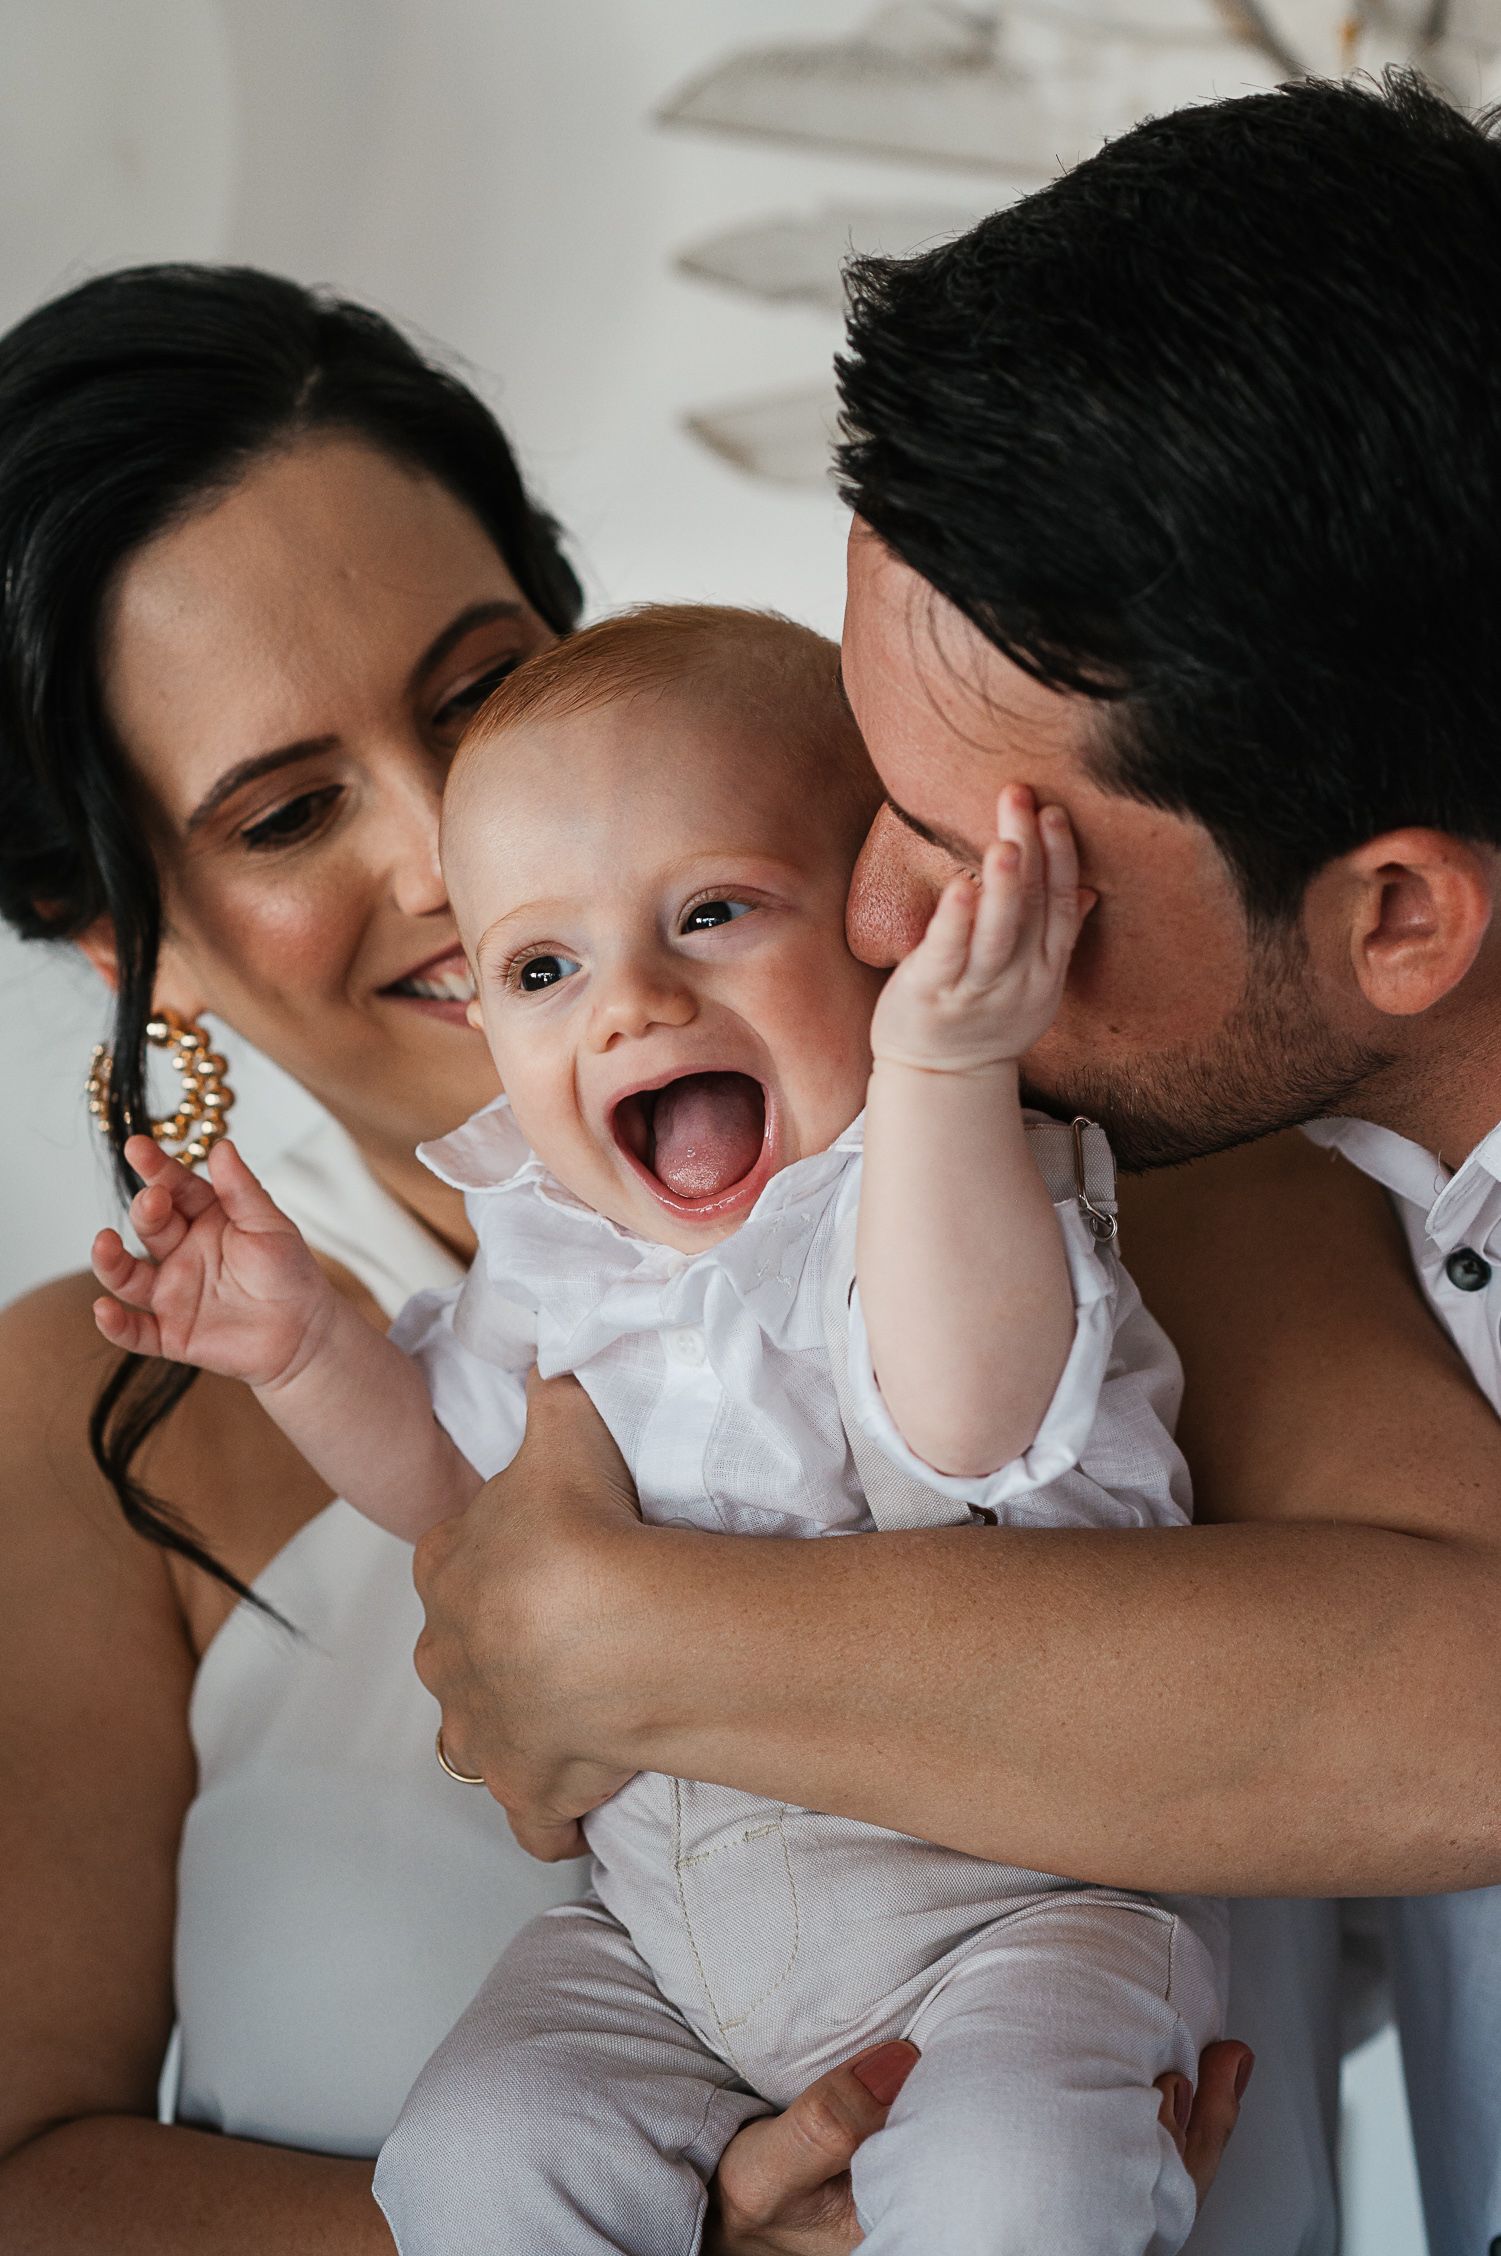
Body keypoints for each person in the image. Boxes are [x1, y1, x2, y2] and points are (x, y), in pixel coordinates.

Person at [407, 71, 1501, 2256]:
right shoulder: (1278, 1199)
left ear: (1394, 919)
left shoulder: (1189, 1224)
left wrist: (614, 1635)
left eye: (988, 856)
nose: (879, 925)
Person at [0, 268, 964, 2256]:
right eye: (285, 811)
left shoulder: (1114, 1194)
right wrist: (611, 2228)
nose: (454, 839)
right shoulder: (93, 1428)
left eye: (473, 695)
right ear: (124, 946)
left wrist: (648, 1649)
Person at [90, 602, 1225, 2255]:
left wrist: (940, 1075)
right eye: (543, 967)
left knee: (1015, 2187)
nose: (626, 1003)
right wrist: (303, 1347)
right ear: (483, 1011)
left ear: (885, 925)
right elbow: (458, 1505)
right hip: (662, 1944)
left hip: (1008, 1924)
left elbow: (968, 1424)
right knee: (470, 2160)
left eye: (709, 914)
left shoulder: (950, 1187)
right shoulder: (559, 1261)